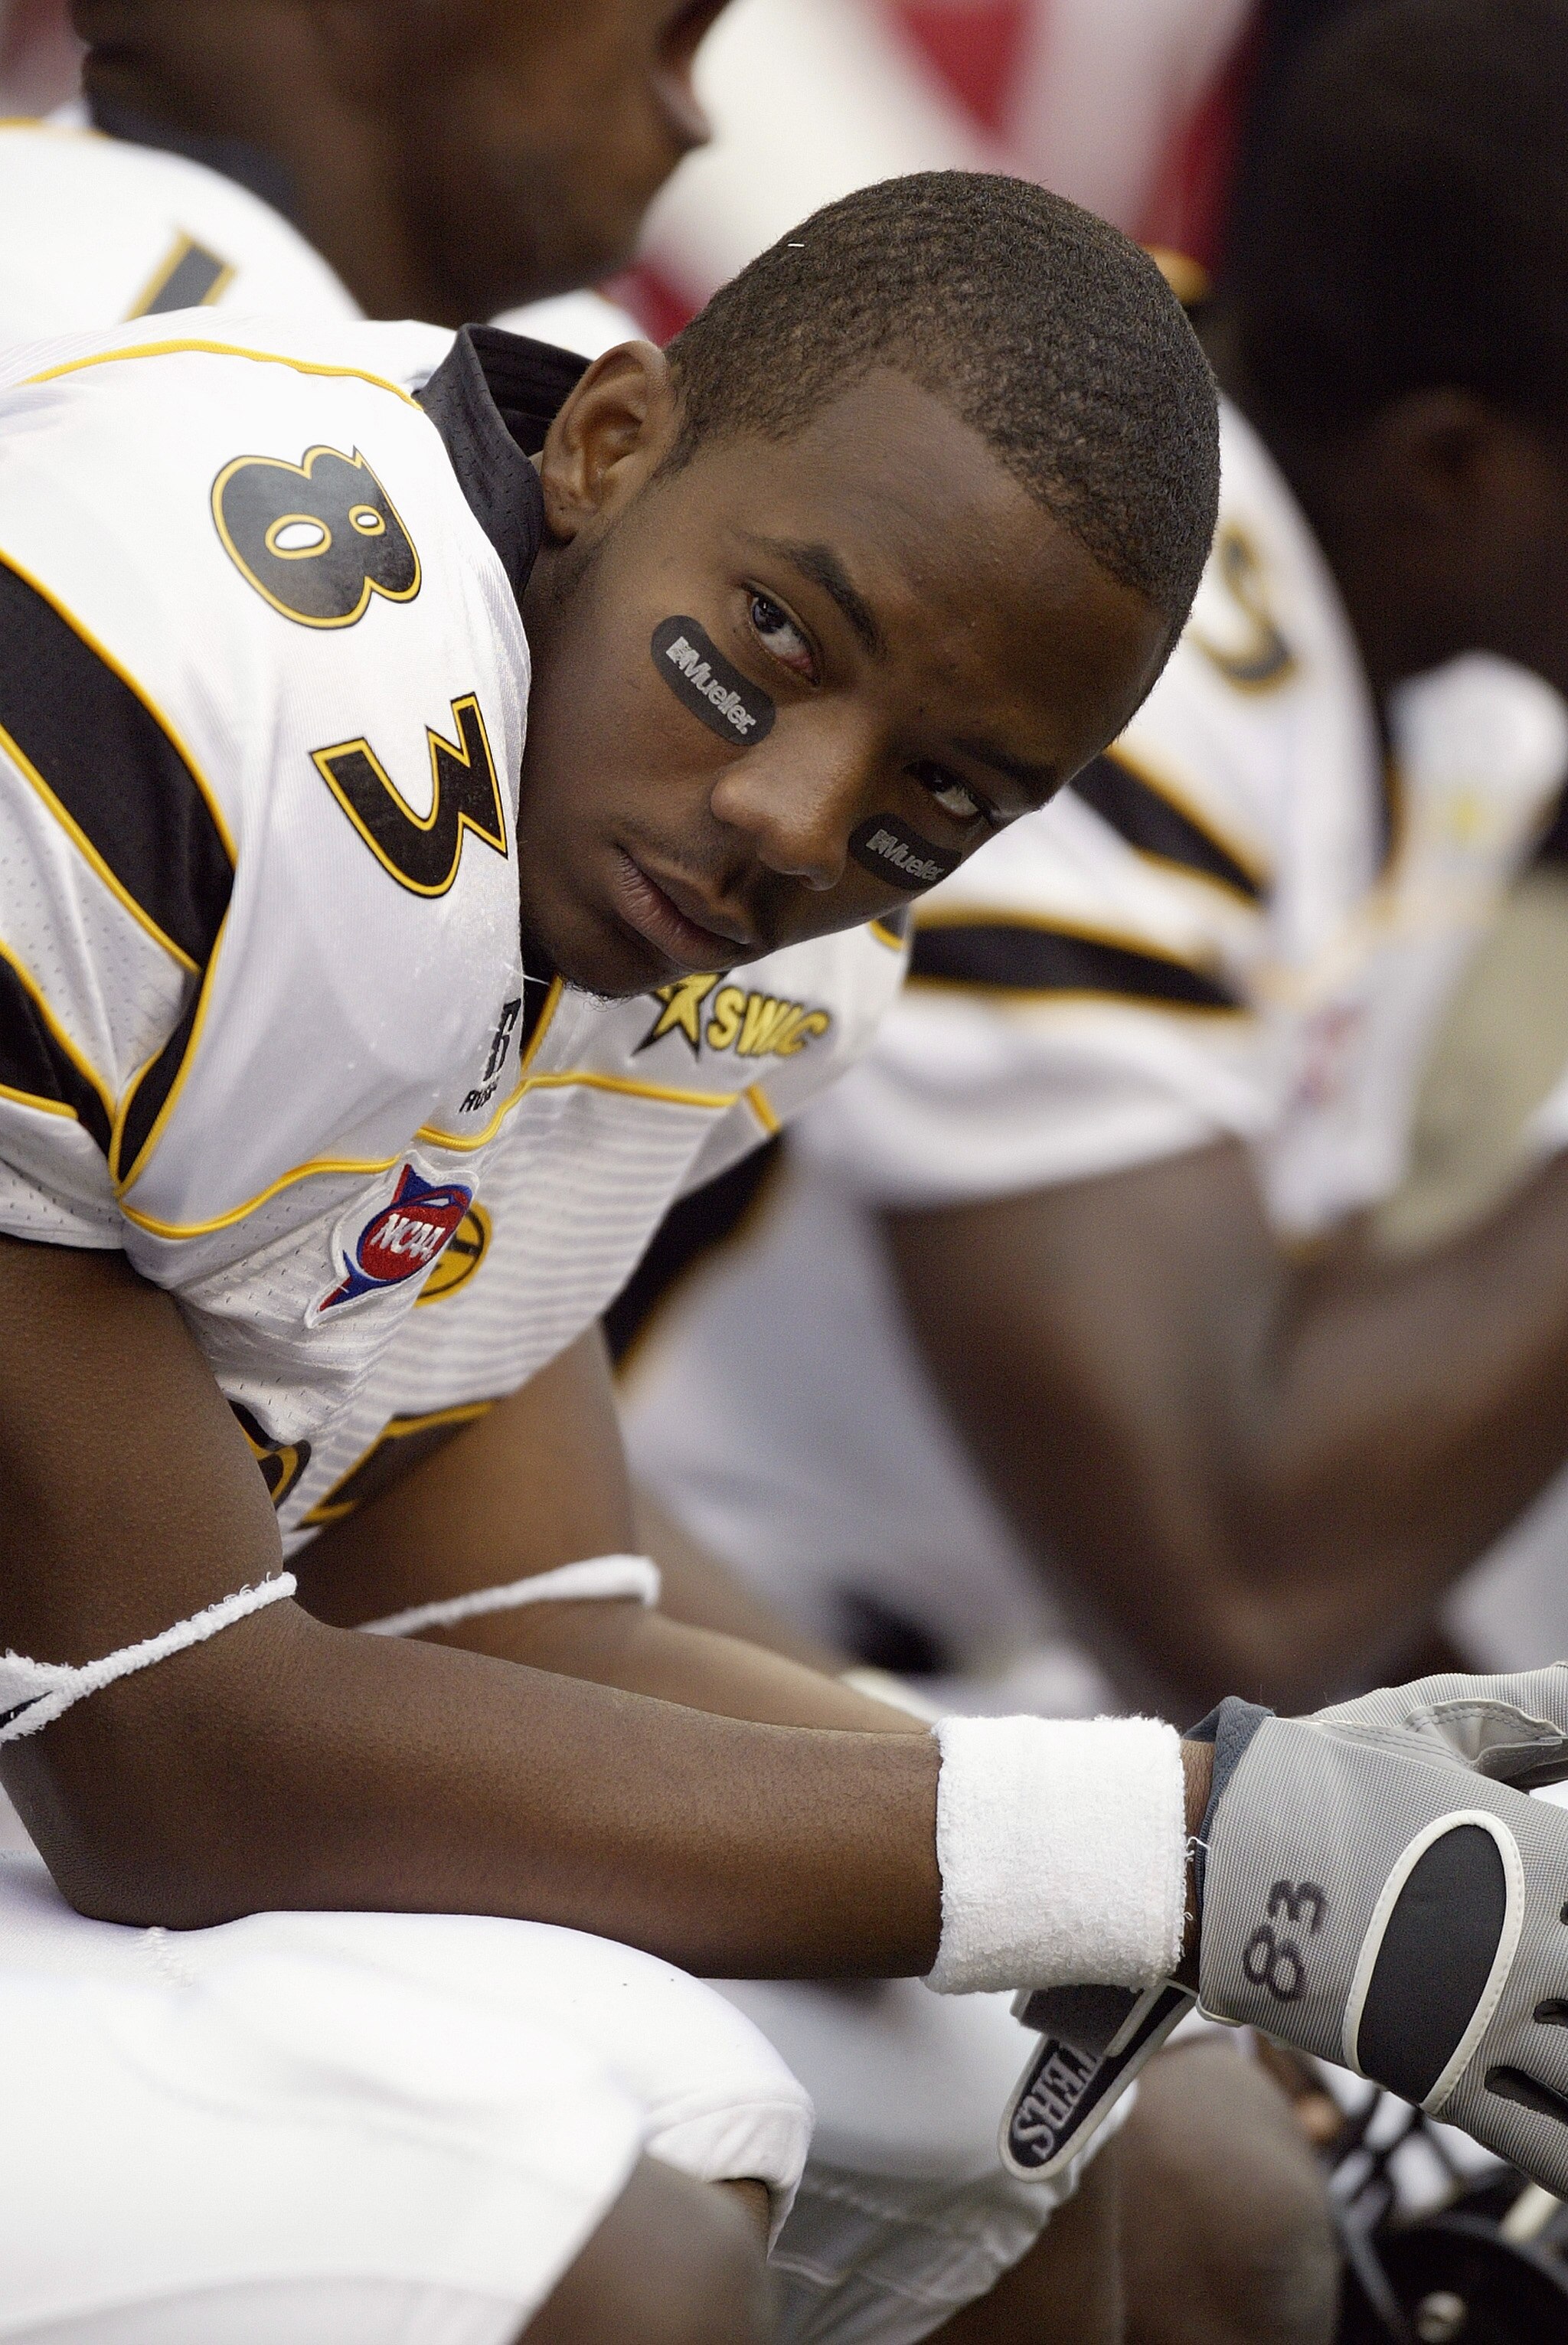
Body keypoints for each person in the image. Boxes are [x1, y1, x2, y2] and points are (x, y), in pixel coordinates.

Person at [0, 21, 1336, 2331]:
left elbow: (492, 1593)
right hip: (108, 1759)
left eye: (934, 806)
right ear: (610, 441)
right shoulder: (186, 652)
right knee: (615, 2242)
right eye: (768, 653)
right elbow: (172, 1762)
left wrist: (1250, 1850)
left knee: (1117, 2140)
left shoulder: (731, 947)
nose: (798, 828)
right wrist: (1160, 1854)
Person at [621, 0, 1568, 1729]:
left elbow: (1317, 1411)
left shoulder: (1447, 699)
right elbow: (1234, 1598)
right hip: (664, 1658)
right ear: (1455, 468)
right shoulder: (1093, 665)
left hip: (961, 1680)